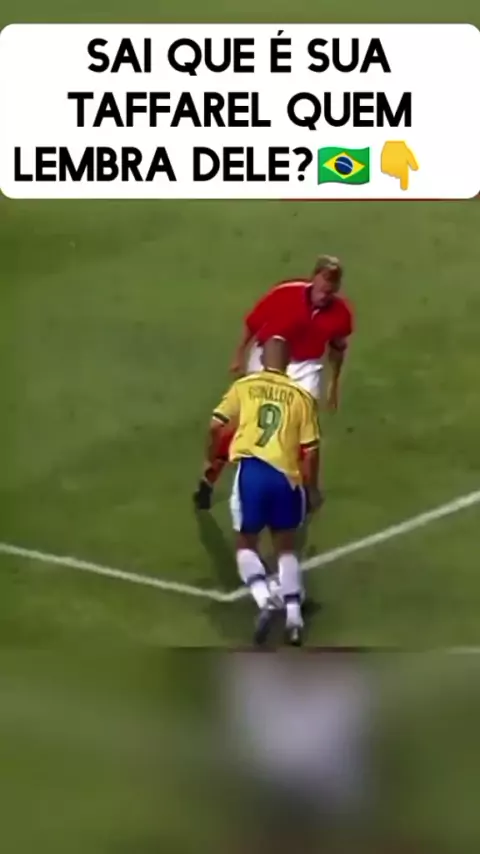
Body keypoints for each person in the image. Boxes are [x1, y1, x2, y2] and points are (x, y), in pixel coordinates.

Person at [194, 254, 353, 511]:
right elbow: (253, 323)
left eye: (331, 290)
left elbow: (337, 348)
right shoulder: (285, 294)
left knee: (300, 428)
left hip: (305, 367)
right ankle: (210, 476)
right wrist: (238, 354)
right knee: (246, 422)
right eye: (323, 287)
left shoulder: (341, 313)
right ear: (314, 278)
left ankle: (304, 488)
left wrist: (333, 385)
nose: (325, 294)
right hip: (268, 355)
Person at [203, 337, 323, 647]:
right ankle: (294, 619)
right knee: (286, 547)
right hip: (287, 476)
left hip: (252, 474)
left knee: (246, 543)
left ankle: (264, 598)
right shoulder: (301, 397)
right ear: (288, 363)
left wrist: (212, 454)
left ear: (262, 360)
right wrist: (312, 488)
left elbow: (216, 425)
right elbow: (311, 451)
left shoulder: (245, 386)